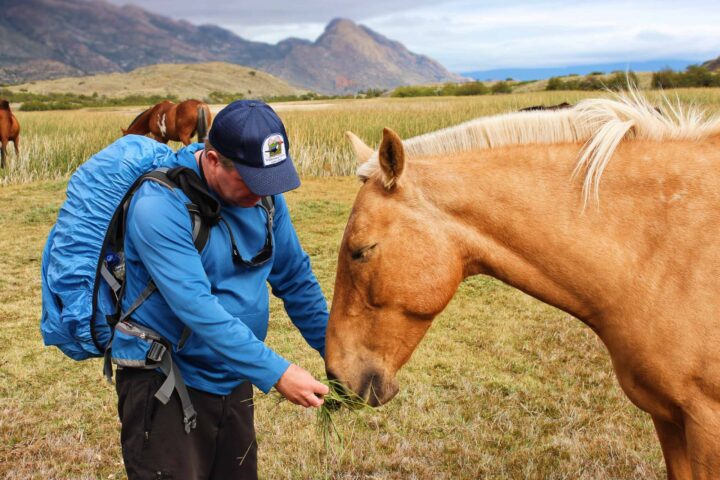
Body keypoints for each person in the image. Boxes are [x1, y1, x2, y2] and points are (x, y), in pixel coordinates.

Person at [112, 100, 330, 479]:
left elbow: (294, 277)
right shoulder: (158, 207)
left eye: (270, 182)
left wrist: (336, 350)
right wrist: (277, 372)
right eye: (250, 181)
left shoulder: (265, 198)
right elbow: (198, 310)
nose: (261, 194)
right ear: (212, 160)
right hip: (167, 381)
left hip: (232, 375)